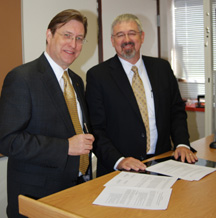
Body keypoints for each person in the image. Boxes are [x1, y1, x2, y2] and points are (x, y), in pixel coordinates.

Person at [0, 9, 94, 218]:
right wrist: (65, 146)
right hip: (37, 198)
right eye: (67, 35)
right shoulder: (22, 78)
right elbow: (8, 140)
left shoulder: (77, 81)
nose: (73, 44)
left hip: (76, 190)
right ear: (49, 35)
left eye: (79, 39)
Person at [86, 13, 197, 177]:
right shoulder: (98, 76)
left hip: (163, 162)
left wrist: (182, 144)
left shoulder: (162, 68)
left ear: (142, 36)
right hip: (120, 169)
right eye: (120, 35)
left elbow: (176, 111)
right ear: (112, 40)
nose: (126, 39)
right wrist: (118, 160)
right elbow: (96, 128)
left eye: (132, 33)